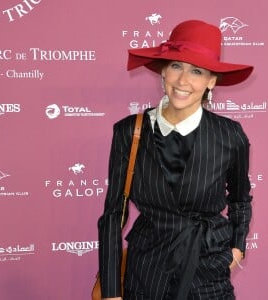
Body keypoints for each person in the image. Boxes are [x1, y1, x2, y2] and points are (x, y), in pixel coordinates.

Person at [98, 20, 253, 300]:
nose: (183, 81)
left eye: (196, 71)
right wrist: (111, 290)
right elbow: (112, 215)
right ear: (162, 72)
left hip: (207, 269)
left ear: (211, 81)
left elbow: (240, 198)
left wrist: (238, 245)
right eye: (176, 66)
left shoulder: (230, 135)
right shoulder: (128, 131)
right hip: (146, 271)